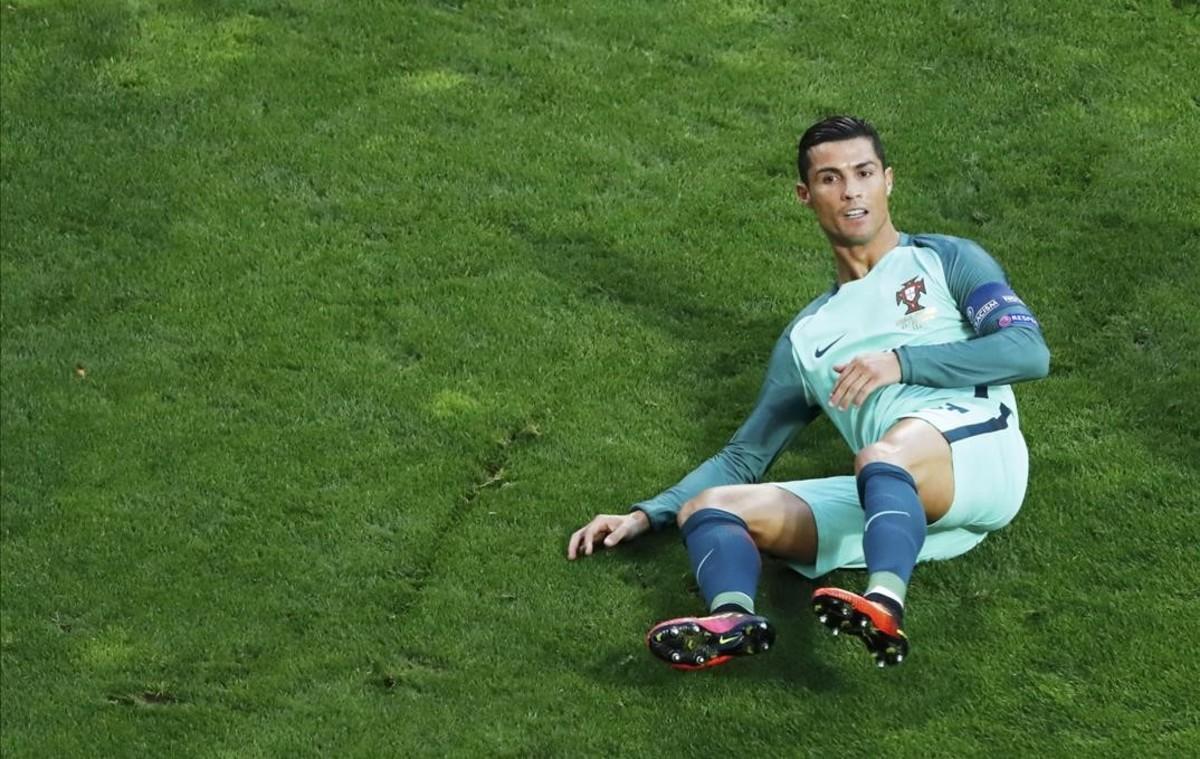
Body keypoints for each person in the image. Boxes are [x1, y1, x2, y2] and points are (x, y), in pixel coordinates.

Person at [566, 115, 1050, 669]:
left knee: (883, 451)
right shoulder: (807, 339)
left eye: (864, 173)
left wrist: (901, 362)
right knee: (710, 509)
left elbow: (1027, 352)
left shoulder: (946, 260)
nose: (851, 191)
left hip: (981, 462)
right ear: (804, 194)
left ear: (888, 180)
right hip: (894, 496)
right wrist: (646, 514)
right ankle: (731, 618)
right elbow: (745, 455)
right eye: (830, 179)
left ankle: (884, 601)